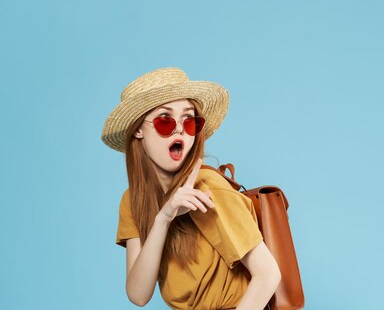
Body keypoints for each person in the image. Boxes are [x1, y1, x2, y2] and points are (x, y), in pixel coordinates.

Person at [101, 67, 281, 310]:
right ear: (138, 129)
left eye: (189, 121)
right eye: (165, 121)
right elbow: (138, 294)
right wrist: (163, 218)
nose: (178, 129)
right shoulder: (133, 200)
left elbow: (268, 274)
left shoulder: (207, 189)